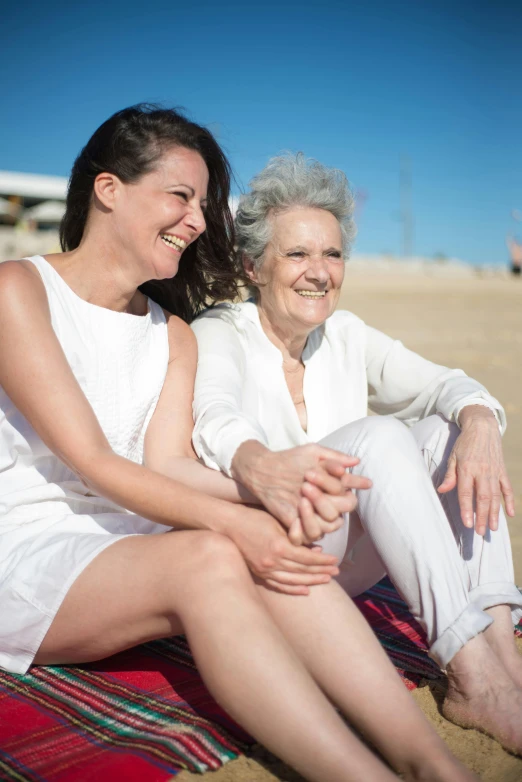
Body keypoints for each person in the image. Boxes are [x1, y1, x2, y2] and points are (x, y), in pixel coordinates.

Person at [0, 105, 479, 782]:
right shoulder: (18, 289)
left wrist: (276, 493)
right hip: (27, 553)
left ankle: (431, 764)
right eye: (180, 196)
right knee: (210, 552)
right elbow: (94, 462)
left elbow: (167, 464)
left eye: (203, 204)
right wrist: (236, 517)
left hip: (129, 548)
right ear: (109, 190)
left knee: (263, 534)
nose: (197, 220)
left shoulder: (172, 333)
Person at [192, 153, 522, 756]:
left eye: (333, 254)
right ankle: (470, 672)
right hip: (271, 561)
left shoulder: (345, 335)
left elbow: (447, 383)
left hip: (341, 560)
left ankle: (502, 652)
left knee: (450, 436)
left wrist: (478, 420)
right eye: (297, 254)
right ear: (252, 266)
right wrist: (256, 462)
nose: (320, 272)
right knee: (380, 436)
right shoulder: (221, 330)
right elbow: (213, 416)